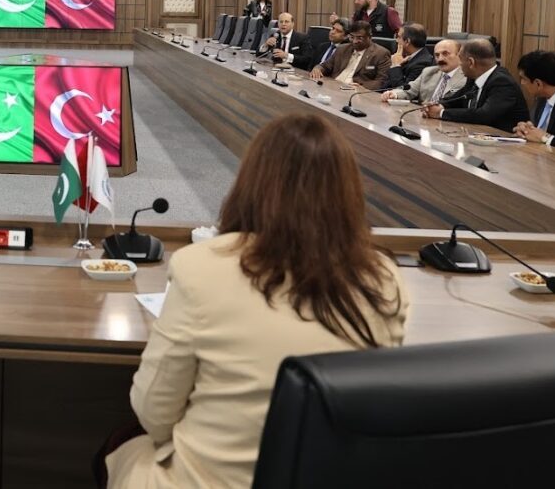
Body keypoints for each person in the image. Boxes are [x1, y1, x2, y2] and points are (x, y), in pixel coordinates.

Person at [102, 114, 408, 489]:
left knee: (119, 446)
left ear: (251, 182)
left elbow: (154, 413)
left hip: (211, 482)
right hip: (327, 476)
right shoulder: (384, 278)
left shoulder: (200, 267)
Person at [423, 39, 529, 132]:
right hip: (477, 135)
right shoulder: (473, 77)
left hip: (505, 142)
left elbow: (484, 115)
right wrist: (438, 106)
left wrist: (441, 113)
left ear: (471, 62)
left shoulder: (502, 82)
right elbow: (457, 99)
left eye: (460, 60)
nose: (459, 64)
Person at [382, 38, 467, 104]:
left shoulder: (467, 77)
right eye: (437, 55)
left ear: (459, 55)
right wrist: (394, 94)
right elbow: (410, 90)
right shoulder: (429, 72)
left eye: (445, 54)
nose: (440, 59)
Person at [314, 21, 391, 89]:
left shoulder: (381, 54)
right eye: (352, 37)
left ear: (369, 37)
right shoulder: (342, 49)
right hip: (334, 86)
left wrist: (362, 88)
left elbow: (381, 81)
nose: (354, 41)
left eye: (359, 38)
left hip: (356, 93)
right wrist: (318, 69)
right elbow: (325, 66)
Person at [330, 0, 401, 39]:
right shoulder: (358, 13)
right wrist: (338, 22)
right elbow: (350, 29)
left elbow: (400, 32)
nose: (356, 2)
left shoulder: (388, 12)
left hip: (381, 50)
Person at [384, 22, 433, 89]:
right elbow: (385, 86)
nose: (396, 40)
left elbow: (404, 89)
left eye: (398, 37)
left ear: (407, 41)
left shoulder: (422, 63)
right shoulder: (406, 56)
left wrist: (396, 66)